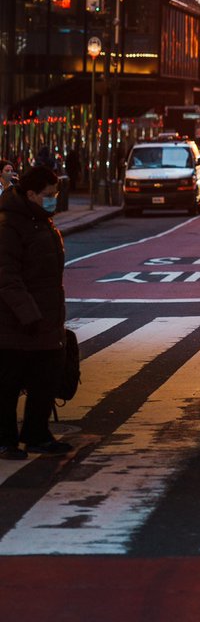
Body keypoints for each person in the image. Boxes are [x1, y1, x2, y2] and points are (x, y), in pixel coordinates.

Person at [0, 166, 72, 459]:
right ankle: (5, 439)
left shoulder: (41, 221)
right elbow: (6, 276)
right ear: (30, 194)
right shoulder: (8, 225)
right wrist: (27, 314)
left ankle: (36, 434)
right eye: (48, 195)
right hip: (15, 321)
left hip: (45, 317)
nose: (53, 199)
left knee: (46, 376)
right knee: (8, 382)